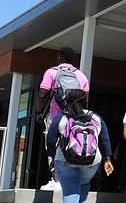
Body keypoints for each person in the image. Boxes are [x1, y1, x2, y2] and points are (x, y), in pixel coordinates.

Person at [44, 89, 114, 203]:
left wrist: (51, 158)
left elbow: (50, 139)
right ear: (85, 100)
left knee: (70, 191)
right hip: (91, 161)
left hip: (65, 159)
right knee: (84, 182)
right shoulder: (95, 117)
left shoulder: (62, 117)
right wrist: (108, 160)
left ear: (67, 101)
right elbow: (105, 140)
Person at [34, 46, 90, 192]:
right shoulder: (81, 75)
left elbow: (42, 95)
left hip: (56, 116)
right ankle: (73, 180)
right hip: (75, 118)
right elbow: (85, 100)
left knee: (53, 146)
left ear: (59, 58)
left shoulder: (51, 72)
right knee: (72, 145)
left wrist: (39, 112)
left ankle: (57, 180)